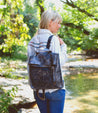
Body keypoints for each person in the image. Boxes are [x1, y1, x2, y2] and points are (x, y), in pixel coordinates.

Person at [27, 9, 67, 113]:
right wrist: (63, 46)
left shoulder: (32, 41)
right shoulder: (53, 39)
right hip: (55, 90)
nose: (59, 26)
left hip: (39, 91)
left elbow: (29, 67)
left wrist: (34, 87)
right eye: (58, 23)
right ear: (50, 22)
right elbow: (60, 62)